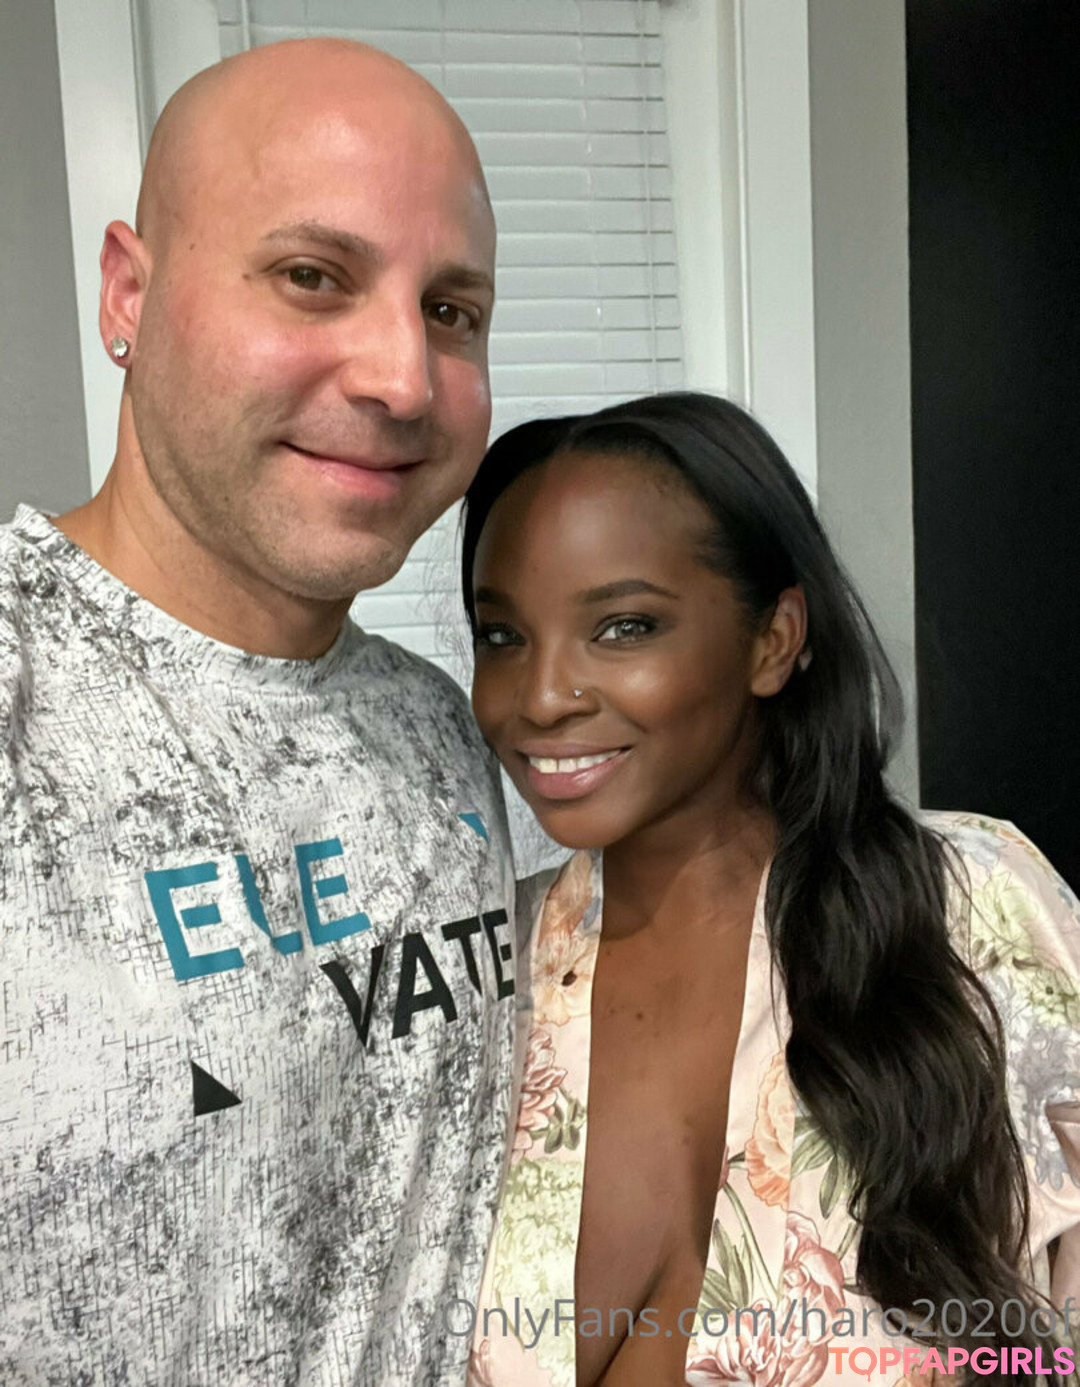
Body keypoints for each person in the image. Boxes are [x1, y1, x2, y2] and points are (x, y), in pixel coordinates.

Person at [0, 38, 516, 1386]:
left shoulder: (442, 726)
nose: (403, 378)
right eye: (312, 276)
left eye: (452, 310)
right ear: (128, 291)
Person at [458, 393, 1080, 1387]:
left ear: (773, 639)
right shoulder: (480, 975)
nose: (539, 696)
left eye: (623, 626)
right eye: (502, 636)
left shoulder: (973, 910)